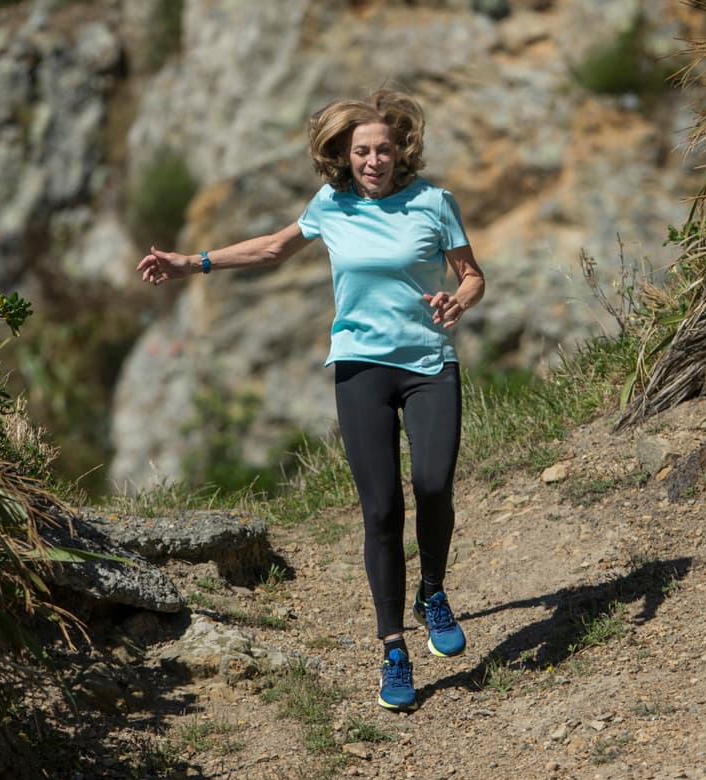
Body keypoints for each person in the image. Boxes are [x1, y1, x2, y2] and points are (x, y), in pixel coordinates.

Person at [136, 89, 486, 712]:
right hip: (360, 369)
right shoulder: (332, 204)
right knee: (380, 510)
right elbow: (273, 247)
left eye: (382, 149)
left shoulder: (435, 203)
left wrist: (460, 298)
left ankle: (432, 589)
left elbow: (471, 273)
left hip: (430, 365)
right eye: (361, 152)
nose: (373, 160)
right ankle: (394, 652)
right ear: (343, 157)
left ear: (400, 149)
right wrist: (194, 262)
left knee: (433, 484)